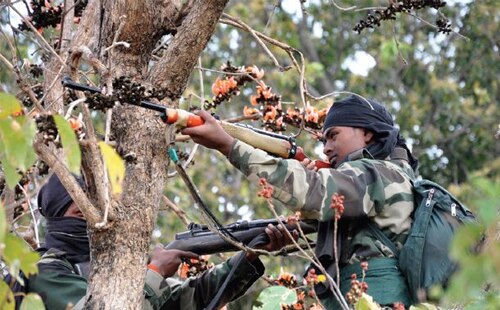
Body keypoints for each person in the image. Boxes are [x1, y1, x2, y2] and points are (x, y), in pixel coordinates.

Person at [182, 94, 419, 308]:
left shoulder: (380, 174)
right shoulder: (384, 178)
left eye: (333, 135)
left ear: (367, 133)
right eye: (323, 141)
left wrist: (228, 145)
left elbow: (313, 191)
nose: (326, 149)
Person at [29, 174, 296, 310]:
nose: (92, 222)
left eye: (97, 212)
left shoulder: (111, 266)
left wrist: (250, 254)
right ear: (56, 219)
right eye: (81, 213)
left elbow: (188, 301)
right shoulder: (44, 273)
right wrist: (155, 273)